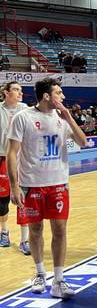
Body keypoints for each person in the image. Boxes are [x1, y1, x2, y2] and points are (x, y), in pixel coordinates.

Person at [6, 77, 87, 298]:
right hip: (31, 185)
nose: (63, 96)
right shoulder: (23, 118)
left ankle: (59, 280)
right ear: (46, 96)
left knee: (60, 230)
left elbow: (84, 142)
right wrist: (14, 186)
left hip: (58, 184)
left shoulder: (63, 118)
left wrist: (69, 118)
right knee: (35, 230)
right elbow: (12, 152)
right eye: (59, 93)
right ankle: (40, 273)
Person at [0, 82, 29, 253]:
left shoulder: (26, 109)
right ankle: (4, 233)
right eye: (16, 90)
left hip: (21, 159)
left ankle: (24, 240)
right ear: (6, 92)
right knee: (2, 203)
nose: (20, 93)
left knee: (23, 200)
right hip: (2, 157)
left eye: (21, 90)